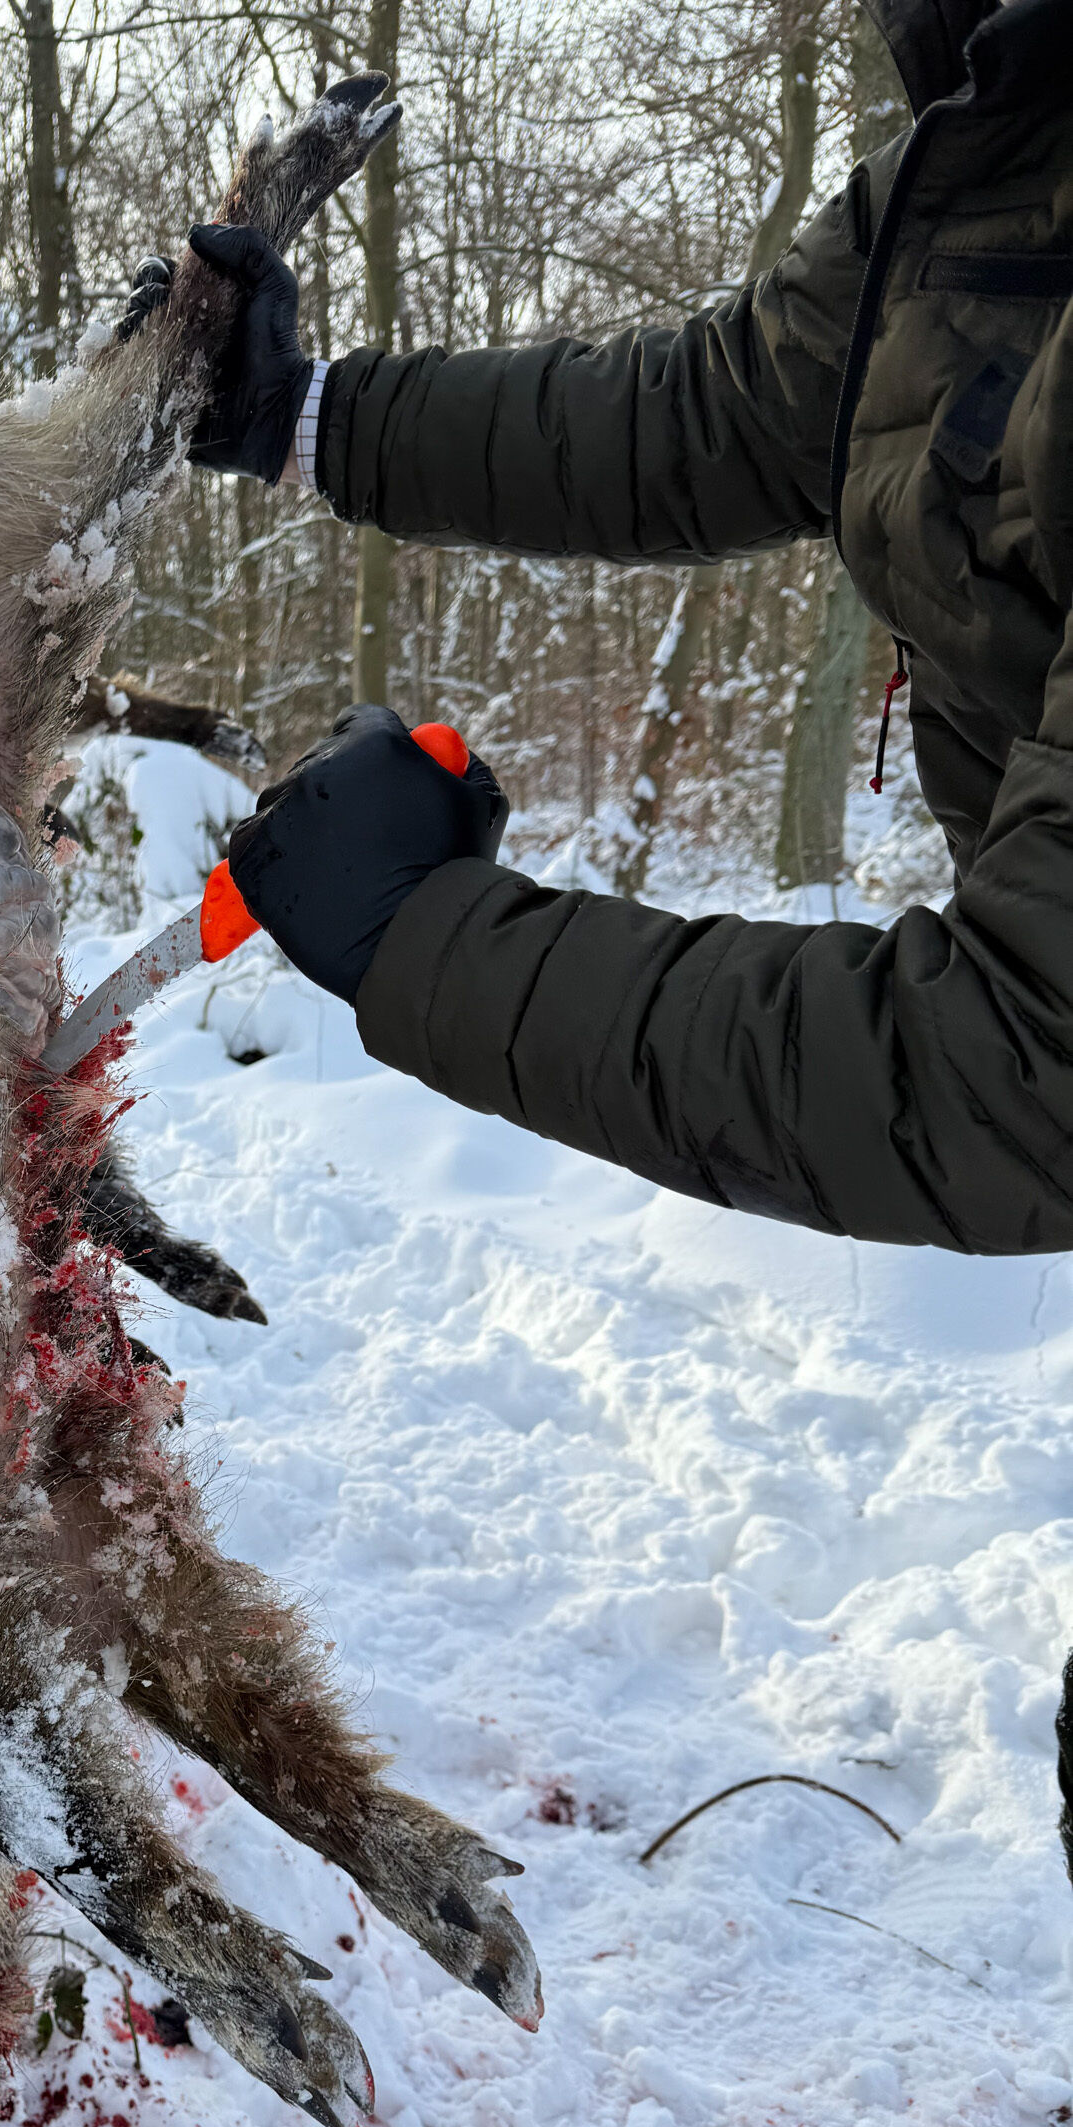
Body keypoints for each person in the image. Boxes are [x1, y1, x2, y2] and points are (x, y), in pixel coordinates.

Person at [182, 0, 1073, 1263]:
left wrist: (423, 936)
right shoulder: (998, 147)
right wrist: (309, 416)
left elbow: (1024, 1079)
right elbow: (728, 407)